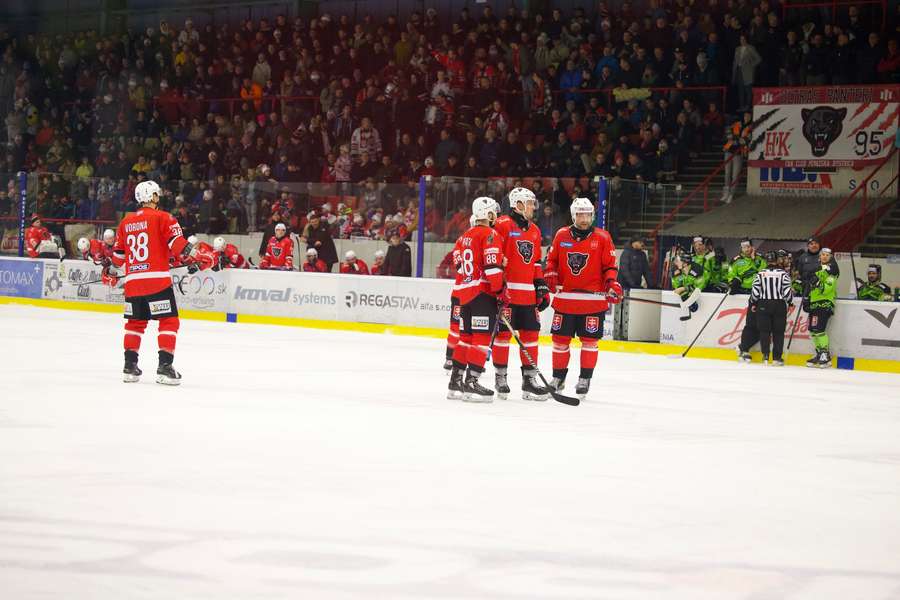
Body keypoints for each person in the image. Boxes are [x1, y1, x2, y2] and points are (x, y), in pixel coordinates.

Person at [110, 180, 202, 385]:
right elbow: (178, 245)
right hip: (157, 282)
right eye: (156, 195)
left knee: (135, 323)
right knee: (169, 321)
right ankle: (165, 368)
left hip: (133, 284)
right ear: (151, 197)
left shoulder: (126, 222)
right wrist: (197, 255)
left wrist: (110, 272)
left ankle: (129, 367)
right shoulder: (164, 217)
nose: (158, 198)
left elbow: (117, 259)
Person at [544, 197, 622, 400]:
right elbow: (551, 260)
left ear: (592, 215)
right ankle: (558, 378)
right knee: (559, 341)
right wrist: (550, 273)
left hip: (592, 302)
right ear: (573, 215)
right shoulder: (561, 235)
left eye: (587, 214)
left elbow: (610, 267)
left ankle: (584, 379)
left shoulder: (603, 237)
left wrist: (611, 283)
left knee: (589, 342)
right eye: (580, 214)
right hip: (566, 299)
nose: (584, 218)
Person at [490, 187, 551, 401]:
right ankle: (500, 377)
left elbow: (535, 262)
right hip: (507, 293)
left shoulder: (534, 230)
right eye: (530, 203)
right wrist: (497, 287)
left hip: (527, 294)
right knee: (503, 335)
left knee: (531, 335)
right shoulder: (502, 224)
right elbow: (493, 254)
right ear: (518, 205)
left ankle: (529, 382)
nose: (534, 207)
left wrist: (541, 284)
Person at [447, 197, 505, 402]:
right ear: (488, 214)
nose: (496, 216)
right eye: (493, 213)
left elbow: (460, 264)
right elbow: (492, 266)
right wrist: (500, 291)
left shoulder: (464, 236)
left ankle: (455, 381)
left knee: (466, 338)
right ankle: (472, 381)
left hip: (465, 294)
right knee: (481, 338)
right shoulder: (490, 234)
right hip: (482, 293)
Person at [748, 251, 794, 366]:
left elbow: (755, 291)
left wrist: (753, 302)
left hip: (763, 304)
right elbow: (787, 291)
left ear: (766, 260)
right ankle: (777, 358)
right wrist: (790, 301)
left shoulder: (761, 273)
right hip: (779, 305)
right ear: (777, 260)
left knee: (765, 331)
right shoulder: (783, 274)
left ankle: (765, 356)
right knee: (778, 332)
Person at [807, 247, 838, 368]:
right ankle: (820, 354)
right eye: (822, 255)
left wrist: (818, 283)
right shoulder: (817, 269)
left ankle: (825, 355)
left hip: (824, 303)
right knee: (813, 330)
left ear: (830, 257)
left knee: (819, 329)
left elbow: (827, 289)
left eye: (827, 255)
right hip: (814, 303)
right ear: (819, 256)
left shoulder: (832, 271)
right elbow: (810, 284)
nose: (824, 256)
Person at [796, 237, 839, 305]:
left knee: (820, 313)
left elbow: (836, 272)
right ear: (808, 246)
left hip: (823, 295)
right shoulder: (802, 257)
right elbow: (800, 273)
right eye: (811, 244)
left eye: (816, 243)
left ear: (819, 245)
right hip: (806, 293)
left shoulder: (826, 256)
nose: (814, 245)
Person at [671, 253, 702, 321]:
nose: (676, 263)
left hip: (702, 296)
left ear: (685, 263)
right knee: (683, 294)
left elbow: (699, 288)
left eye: (678, 261)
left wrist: (685, 288)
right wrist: (684, 290)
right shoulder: (677, 270)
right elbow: (677, 287)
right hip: (689, 296)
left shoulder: (697, 269)